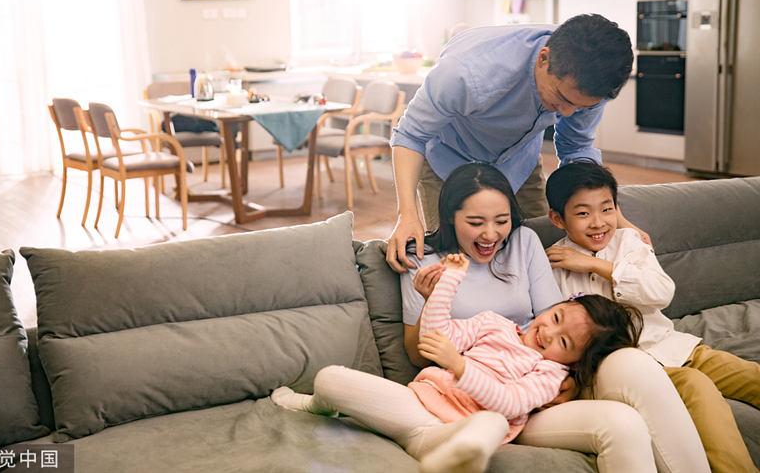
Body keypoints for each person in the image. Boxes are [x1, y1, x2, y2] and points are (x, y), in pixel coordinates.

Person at [402, 162, 710, 473]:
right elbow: (418, 355)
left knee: (633, 361)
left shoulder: (523, 242)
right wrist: (431, 300)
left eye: (502, 220)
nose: (491, 234)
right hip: (488, 398)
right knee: (621, 424)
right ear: (450, 216)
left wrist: (571, 379)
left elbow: (557, 317)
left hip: (544, 381)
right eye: (475, 222)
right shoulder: (422, 261)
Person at [271, 249, 641, 473]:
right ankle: (316, 405)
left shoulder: (549, 373)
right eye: (556, 317)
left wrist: (461, 367)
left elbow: (511, 403)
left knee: (495, 420)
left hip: (455, 431)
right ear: (555, 306)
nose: (548, 332)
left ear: (575, 361)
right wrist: (449, 281)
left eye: (564, 342)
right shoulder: (494, 323)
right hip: (414, 406)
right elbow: (436, 337)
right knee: (331, 377)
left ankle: (461, 460)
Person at [386, 13, 646, 275]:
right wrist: (407, 215)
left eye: (580, 107)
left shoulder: (594, 81)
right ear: (543, 59)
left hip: (519, 158)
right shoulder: (464, 72)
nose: (567, 113)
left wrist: (615, 217)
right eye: (562, 98)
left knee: (544, 243)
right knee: (456, 258)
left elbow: (577, 148)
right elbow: (411, 135)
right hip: (449, 158)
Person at [545, 161, 760, 473]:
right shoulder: (554, 265)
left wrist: (596, 266)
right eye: (582, 213)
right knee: (696, 386)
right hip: (635, 371)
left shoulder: (629, 242)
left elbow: (661, 292)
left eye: (606, 209)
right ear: (557, 218)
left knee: (752, 376)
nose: (598, 222)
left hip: (676, 348)